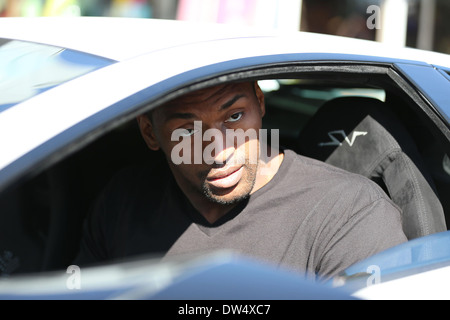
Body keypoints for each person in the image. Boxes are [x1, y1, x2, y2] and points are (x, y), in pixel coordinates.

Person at [74, 81, 407, 281]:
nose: (218, 152)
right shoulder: (124, 202)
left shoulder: (349, 212)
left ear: (260, 103)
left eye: (234, 117)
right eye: (189, 131)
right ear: (150, 132)